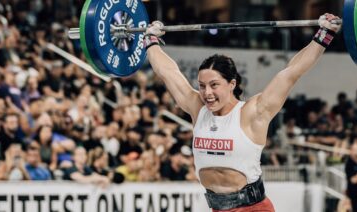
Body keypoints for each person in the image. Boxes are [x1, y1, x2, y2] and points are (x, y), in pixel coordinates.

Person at [144, 13, 341, 211]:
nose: (207, 93)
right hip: (217, 208)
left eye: (214, 85)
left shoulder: (253, 112)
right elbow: (168, 73)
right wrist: (150, 40)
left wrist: (324, 34)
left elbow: (291, 72)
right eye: (202, 86)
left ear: (232, 84)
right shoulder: (198, 108)